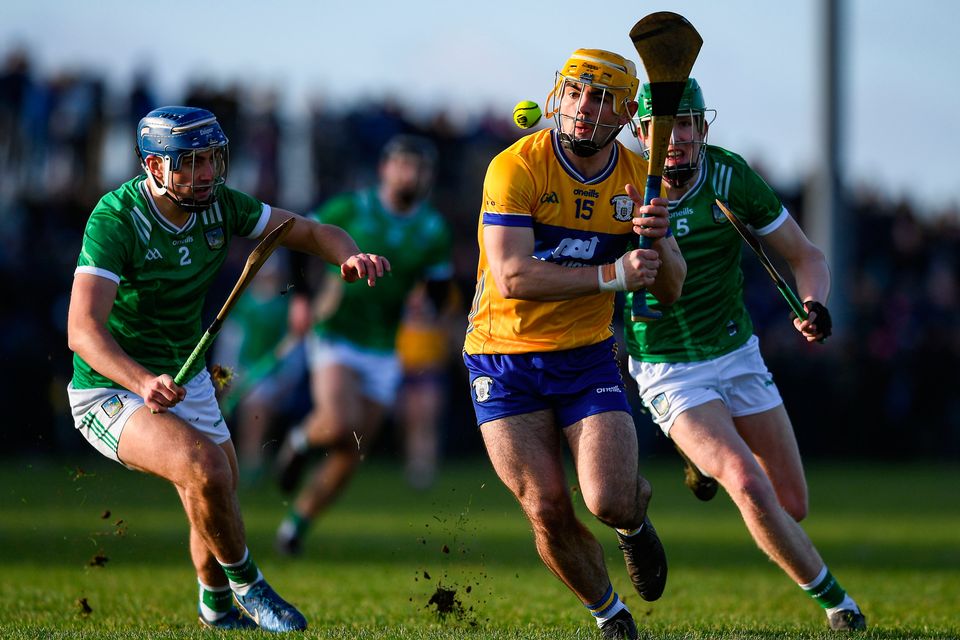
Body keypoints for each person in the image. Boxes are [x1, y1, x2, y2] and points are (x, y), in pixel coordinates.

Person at [65, 106, 389, 632]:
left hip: (184, 375)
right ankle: (249, 584)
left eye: (213, 160)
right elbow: (82, 330)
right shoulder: (116, 218)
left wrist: (349, 257)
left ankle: (214, 606)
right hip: (111, 386)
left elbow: (307, 232)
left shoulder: (221, 207)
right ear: (152, 166)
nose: (207, 174)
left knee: (218, 491)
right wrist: (142, 380)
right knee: (206, 470)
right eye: (190, 163)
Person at [622, 78, 867, 632]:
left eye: (686, 125)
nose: (676, 138)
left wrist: (814, 303)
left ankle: (699, 459)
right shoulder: (623, 184)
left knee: (790, 507)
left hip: (737, 352)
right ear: (640, 133)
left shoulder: (731, 176)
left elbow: (806, 255)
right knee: (745, 481)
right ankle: (839, 604)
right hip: (668, 365)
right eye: (663, 127)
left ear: (703, 128)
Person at [462, 49, 686, 640]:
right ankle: (610, 614)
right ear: (558, 95)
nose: (586, 108)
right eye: (577, 93)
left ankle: (633, 526)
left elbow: (671, 289)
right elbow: (512, 276)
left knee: (609, 498)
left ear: (624, 114)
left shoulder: (638, 179)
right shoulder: (515, 167)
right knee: (546, 507)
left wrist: (658, 243)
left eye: (604, 98)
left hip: (585, 355)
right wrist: (612, 276)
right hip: (501, 355)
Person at [274, 134, 454, 555]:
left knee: (351, 451)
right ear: (384, 170)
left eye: (420, 167)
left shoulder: (433, 229)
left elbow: (441, 289)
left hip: (385, 347)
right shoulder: (350, 209)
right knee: (338, 421)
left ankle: (295, 526)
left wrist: (426, 305)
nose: (411, 174)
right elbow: (296, 241)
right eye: (403, 164)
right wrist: (300, 300)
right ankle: (299, 441)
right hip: (337, 333)